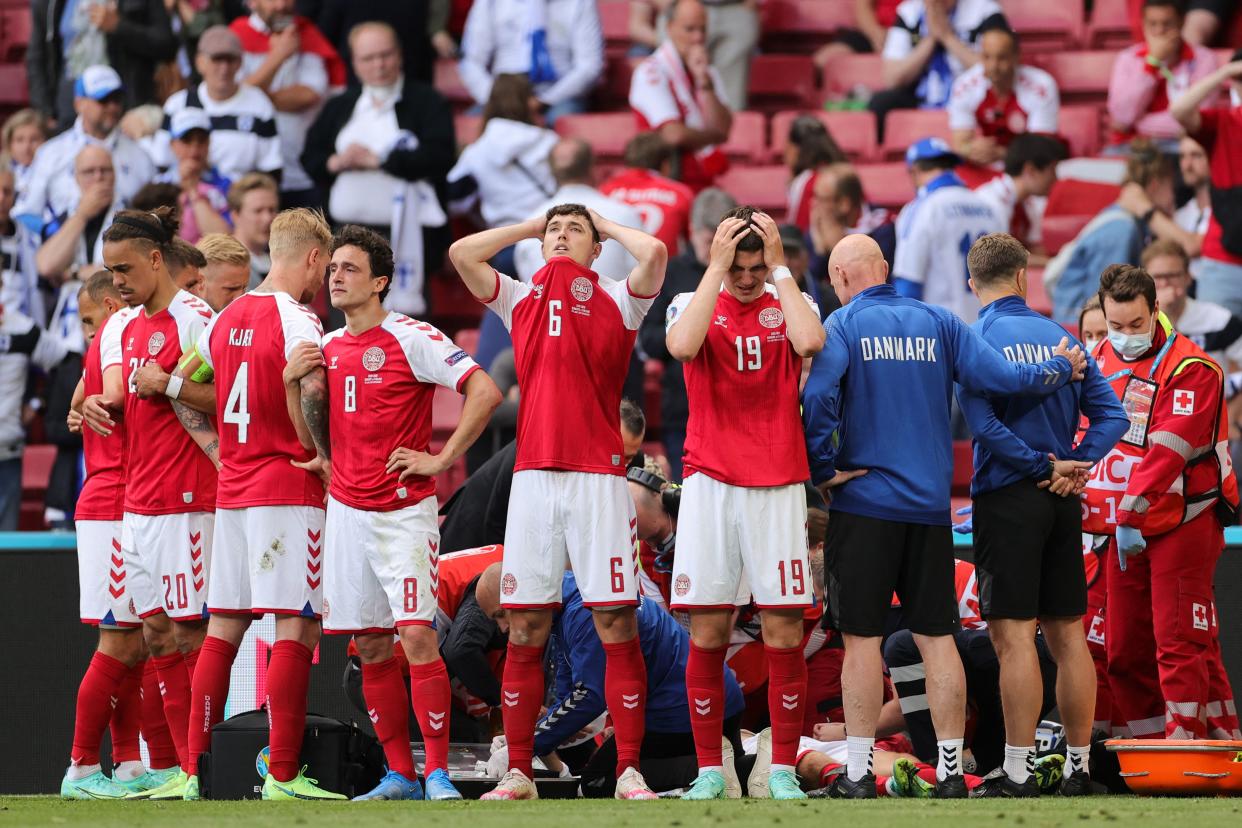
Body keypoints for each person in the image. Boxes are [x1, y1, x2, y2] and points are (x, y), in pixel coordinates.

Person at [801, 233, 1086, 799]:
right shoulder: (942, 321)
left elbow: (816, 402)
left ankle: (857, 772)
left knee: (861, 640)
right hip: (931, 510)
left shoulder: (841, 326)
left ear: (837, 278)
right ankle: (952, 771)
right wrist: (1059, 369)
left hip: (864, 506)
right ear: (884, 268)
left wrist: (822, 467)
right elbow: (1002, 379)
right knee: (935, 639)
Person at [449, 204, 667, 800]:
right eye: (555, 230)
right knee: (526, 626)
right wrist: (531, 228)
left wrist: (602, 225)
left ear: (597, 249)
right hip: (536, 481)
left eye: (575, 231)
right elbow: (462, 253)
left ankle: (629, 771)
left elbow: (655, 255)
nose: (562, 236)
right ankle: (520, 770)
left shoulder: (621, 299)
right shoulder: (519, 295)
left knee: (616, 622)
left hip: (599, 481)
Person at [281, 225, 501, 800]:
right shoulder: (325, 349)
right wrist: (289, 389)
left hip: (403, 515)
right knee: (371, 646)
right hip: (346, 514)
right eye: (332, 268)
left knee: (418, 639)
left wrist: (442, 458)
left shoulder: (412, 336)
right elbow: (311, 440)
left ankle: (437, 774)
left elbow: (484, 390)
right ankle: (400, 774)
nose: (335, 276)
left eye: (350, 269)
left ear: (380, 282)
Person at [162, 208, 330, 802]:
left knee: (223, 627)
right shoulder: (298, 320)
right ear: (312, 256)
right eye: (324, 265)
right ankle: (282, 775)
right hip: (287, 487)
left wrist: (217, 453)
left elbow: (182, 390)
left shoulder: (222, 319)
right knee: (296, 621)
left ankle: (192, 772)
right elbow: (310, 386)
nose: (323, 279)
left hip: (233, 491)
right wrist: (321, 452)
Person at [955, 234, 1128, 797]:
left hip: (1009, 497)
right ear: (1025, 276)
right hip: (1062, 501)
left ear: (971, 281)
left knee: (1012, 638)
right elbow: (1114, 416)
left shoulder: (977, 337)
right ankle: (1078, 769)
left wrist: (1038, 466)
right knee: (1067, 635)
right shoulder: (1061, 336)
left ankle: (1018, 770)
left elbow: (982, 427)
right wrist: (1074, 463)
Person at [664, 206, 824, 800]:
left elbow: (811, 340)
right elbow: (680, 347)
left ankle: (780, 768)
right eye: (741, 267)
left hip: (779, 482)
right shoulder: (693, 299)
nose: (749, 278)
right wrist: (714, 271)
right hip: (710, 482)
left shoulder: (789, 300)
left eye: (758, 266)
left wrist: (782, 269)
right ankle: (711, 770)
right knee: (707, 631)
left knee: (783, 632)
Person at [80, 208, 217, 800]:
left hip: (186, 501)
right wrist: (87, 405)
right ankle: (179, 768)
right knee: (155, 634)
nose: (118, 282)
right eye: (111, 271)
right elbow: (115, 398)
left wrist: (173, 385)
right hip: (136, 505)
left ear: (157, 259)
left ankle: (197, 768)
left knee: (189, 637)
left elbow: (233, 399)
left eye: (126, 269)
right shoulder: (126, 325)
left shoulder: (194, 318)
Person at [1084, 264, 1241, 740]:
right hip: (1118, 528)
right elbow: (1082, 436)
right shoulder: (1097, 358)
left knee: (1180, 641)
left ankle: (1188, 741)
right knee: (1125, 648)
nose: (1125, 335)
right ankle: (1152, 744)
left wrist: (1130, 513)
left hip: (1183, 520)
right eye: (1116, 326)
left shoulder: (1194, 368)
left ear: (1156, 310)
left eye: (1136, 324)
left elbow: (1167, 452)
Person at [60, 271, 180, 799]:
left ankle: (130, 763)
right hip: (113, 503)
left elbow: (82, 400)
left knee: (134, 645)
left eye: (91, 323)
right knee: (119, 641)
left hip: (122, 502)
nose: (91, 333)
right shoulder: (120, 352)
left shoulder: (113, 351)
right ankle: (82, 768)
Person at [478, 568, 748, 798]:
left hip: (685, 711)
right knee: (602, 771)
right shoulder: (568, 602)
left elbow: (590, 695)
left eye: (502, 614)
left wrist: (525, 744)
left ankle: (708, 767)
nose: (503, 627)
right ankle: (737, 758)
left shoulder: (580, 610)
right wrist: (532, 733)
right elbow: (572, 692)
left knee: (597, 782)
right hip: (699, 704)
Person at [303, 21, 457, 317]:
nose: (379, 65)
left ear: (399, 55)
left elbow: (440, 155)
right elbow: (311, 157)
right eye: (369, 58)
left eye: (385, 55)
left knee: (406, 324)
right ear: (355, 63)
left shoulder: (426, 101)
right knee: (346, 318)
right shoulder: (340, 105)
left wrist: (380, 162)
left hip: (407, 236)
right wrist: (336, 162)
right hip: (344, 232)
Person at [438, 402, 650, 552]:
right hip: (473, 529)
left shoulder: (631, 460)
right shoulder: (544, 445)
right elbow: (497, 517)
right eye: (619, 454)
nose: (623, 464)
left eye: (629, 457)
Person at [639, 187, 736, 480]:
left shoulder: (745, 273)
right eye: (709, 242)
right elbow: (650, 339)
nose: (715, 253)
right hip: (684, 407)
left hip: (735, 404)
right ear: (692, 231)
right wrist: (691, 332)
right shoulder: (671, 273)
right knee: (688, 493)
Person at [14, 66, 155, 242]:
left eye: (117, 99)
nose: (112, 107)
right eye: (103, 100)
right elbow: (24, 213)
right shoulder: (51, 152)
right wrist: (52, 231)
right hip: (66, 260)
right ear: (79, 103)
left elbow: (155, 214)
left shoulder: (141, 155)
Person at [231, 0, 347, 209]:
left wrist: (255, 97)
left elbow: (309, 95)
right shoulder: (235, 37)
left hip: (301, 173)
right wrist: (278, 56)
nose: (281, 5)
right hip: (249, 178)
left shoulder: (308, 34)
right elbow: (233, 99)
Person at [1046, 140, 1177, 323]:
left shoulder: (1130, 223)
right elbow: (1103, 300)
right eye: (1171, 186)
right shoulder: (1122, 229)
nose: (1174, 196)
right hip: (1079, 329)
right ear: (1155, 184)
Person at [893, 137, 1004, 322]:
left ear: (914, 171)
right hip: (985, 332)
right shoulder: (989, 208)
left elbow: (908, 282)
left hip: (942, 333)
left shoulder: (922, 208)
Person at [155, 27, 283, 186]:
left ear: (240, 62)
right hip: (186, 194)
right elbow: (161, 164)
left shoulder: (259, 104)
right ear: (199, 62)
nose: (224, 68)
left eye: (230, 60)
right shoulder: (177, 104)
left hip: (240, 200)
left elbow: (272, 171)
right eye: (217, 59)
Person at [630, 0, 732, 192]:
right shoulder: (650, 71)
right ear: (669, 28)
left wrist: (704, 82)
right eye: (689, 29)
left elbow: (724, 128)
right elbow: (673, 135)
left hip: (702, 181)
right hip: (662, 183)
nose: (698, 38)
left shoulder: (707, 71)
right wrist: (713, 135)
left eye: (703, 30)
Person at [870, 0, 1007, 142]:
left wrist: (948, 37)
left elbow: (996, 71)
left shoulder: (985, 10)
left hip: (970, 93)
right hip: (921, 94)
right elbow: (891, 78)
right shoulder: (908, 12)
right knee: (881, 102)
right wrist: (931, 39)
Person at [27, 0, 176, 129]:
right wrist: (44, 110)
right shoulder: (48, 2)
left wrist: (119, 26)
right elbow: (37, 57)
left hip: (121, 104)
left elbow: (166, 46)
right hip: (68, 106)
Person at [1170, 53, 1242, 317]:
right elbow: (1179, 110)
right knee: (1212, 356)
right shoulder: (1225, 122)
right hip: (1223, 264)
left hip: (1221, 265)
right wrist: (1225, 73)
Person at [515, 139, 644, 283]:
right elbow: (645, 272)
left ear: (551, 172)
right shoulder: (625, 214)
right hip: (616, 303)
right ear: (592, 167)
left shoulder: (531, 222)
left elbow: (528, 286)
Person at [458, 0, 604, 125]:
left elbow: (589, 66)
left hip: (557, 95)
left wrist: (545, 100)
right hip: (503, 92)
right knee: (469, 126)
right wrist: (499, 99)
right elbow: (471, 61)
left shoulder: (579, 3)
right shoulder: (490, 2)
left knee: (562, 120)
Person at [447, 74, 558, 233]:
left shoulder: (475, 152)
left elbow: (455, 204)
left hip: (504, 240)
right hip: (548, 237)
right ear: (524, 102)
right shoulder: (550, 141)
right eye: (531, 95)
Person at [1108, 0, 1219, 151]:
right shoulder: (1128, 58)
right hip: (1131, 147)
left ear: (1182, 22)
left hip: (1180, 147)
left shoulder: (1205, 59)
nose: (1159, 31)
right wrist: (1152, 65)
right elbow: (1121, 118)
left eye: (1167, 24)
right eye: (1152, 24)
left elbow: (1195, 120)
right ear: (1143, 25)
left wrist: (1140, 123)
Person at [948, 27, 1058, 168]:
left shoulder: (1041, 86)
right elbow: (960, 145)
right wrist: (971, 150)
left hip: (1029, 167)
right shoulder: (964, 86)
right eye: (987, 57)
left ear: (1016, 56)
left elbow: (1041, 148)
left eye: (1002, 58)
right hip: (987, 164)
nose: (994, 66)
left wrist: (1002, 153)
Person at [34, 145, 122, 282]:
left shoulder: (132, 215)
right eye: (89, 172)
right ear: (76, 178)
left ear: (115, 175)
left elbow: (128, 270)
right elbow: (46, 266)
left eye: (105, 170)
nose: (98, 177)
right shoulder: (62, 218)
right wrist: (81, 215)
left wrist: (75, 273)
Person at [600, 132, 696, 256]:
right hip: (664, 271)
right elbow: (694, 242)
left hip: (612, 271)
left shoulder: (605, 190)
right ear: (666, 165)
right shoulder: (680, 193)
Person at [973, 133, 1065, 261]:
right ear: (1031, 170)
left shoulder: (1028, 204)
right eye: (1052, 170)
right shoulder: (992, 201)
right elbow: (1002, 259)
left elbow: (1035, 249)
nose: (1055, 179)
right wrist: (1055, 264)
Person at [807, 163, 896, 288]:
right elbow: (811, 286)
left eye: (822, 199)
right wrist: (820, 248)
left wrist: (838, 247)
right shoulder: (818, 229)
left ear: (844, 204)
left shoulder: (883, 227)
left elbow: (873, 282)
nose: (813, 204)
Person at [154, 109, 232, 245]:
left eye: (201, 140)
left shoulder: (225, 185)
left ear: (209, 143)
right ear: (173, 144)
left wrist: (193, 190)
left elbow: (224, 239)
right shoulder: (157, 185)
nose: (194, 148)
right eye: (187, 140)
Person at [783, 116, 847, 236]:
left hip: (818, 248)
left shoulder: (805, 182)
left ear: (795, 149)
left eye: (787, 147)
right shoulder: (844, 172)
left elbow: (797, 231)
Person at [228, 173, 279, 288]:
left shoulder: (277, 263)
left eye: (272, 210)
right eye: (258, 211)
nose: (267, 219)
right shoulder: (224, 264)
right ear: (235, 215)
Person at [1174, 135, 1211, 274]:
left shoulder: (1230, 211)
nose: (1187, 165)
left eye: (1196, 155)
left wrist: (1148, 211)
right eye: (1182, 157)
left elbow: (1195, 247)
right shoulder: (1180, 215)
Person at [3, 108, 49, 193]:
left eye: (34, 139)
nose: (26, 147)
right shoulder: (2, 170)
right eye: (19, 140)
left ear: (45, 141)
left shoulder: (53, 172)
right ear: (9, 143)